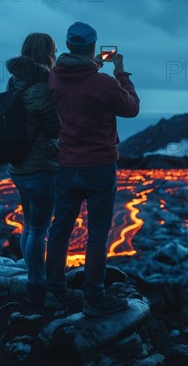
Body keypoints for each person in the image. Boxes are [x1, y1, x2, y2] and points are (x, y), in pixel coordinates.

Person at [45, 22, 140, 317]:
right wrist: (120, 71)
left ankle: (54, 293)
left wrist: (92, 66)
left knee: (60, 229)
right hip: (99, 166)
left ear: (68, 45)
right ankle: (94, 297)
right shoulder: (104, 83)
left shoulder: (54, 79)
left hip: (65, 165)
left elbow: (76, 84)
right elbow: (132, 108)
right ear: (92, 46)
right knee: (97, 233)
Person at [6, 33, 71, 308]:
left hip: (17, 166)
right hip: (41, 167)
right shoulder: (43, 85)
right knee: (39, 229)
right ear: (47, 53)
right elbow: (53, 127)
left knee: (29, 226)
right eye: (54, 50)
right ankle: (36, 286)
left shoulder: (15, 80)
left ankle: (31, 276)